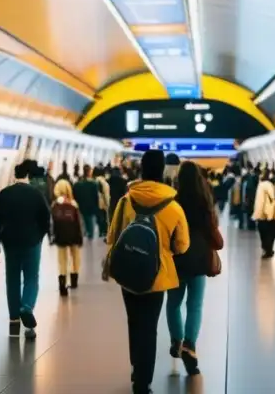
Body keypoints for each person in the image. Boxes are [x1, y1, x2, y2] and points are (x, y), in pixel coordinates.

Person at [107, 150, 190, 394]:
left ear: (141, 170)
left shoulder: (125, 201)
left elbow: (112, 236)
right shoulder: (173, 206)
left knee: (134, 322)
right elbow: (182, 246)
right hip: (157, 275)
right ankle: (144, 381)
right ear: (162, 171)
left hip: (128, 273)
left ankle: (136, 369)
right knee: (149, 327)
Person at [168, 161, 223, 376]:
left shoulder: (174, 200)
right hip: (200, 257)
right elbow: (212, 228)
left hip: (177, 257)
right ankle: (189, 345)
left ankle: (176, 340)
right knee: (195, 305)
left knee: (173, 303)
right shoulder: (204, 201)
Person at [0, 162, 51, 339]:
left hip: (9, 242)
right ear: (28, 175)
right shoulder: (36, 194)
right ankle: (26, 306)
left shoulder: (4, 194)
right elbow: (46, 218)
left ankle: (14, 320)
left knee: (12, 279)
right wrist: (40, 235)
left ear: (14, 175)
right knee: (31, 277)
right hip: (32, 241)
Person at [50, 179, 83, 296]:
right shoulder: (73, 204)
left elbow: (52, 223)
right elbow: (78, 223)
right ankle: (74, 279)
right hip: (73, 234)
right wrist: (80, 237)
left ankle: (62, 285)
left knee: (62, 259)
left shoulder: (55, 205)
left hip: (60, 236)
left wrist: (52, 236)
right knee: (75, 257)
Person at [73, 165, 100, 240]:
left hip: (81, 205)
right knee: (90, 222)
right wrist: (97, 207)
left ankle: (84, 233)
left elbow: (75, 195)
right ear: (89, 172)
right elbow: (96, 197)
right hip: (91, 207)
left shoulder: (77, 184)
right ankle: (90, 235)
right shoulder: (94, 184)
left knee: (83, 221)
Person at [96, 167, 111, 240]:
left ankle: (100, 231)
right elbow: (106, 194)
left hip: (95, 202)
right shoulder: (104, 183)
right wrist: (108, 204)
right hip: (102, 202)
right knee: (103, 217)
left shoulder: (94, 181)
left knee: (98, 217)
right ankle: (103, 231)